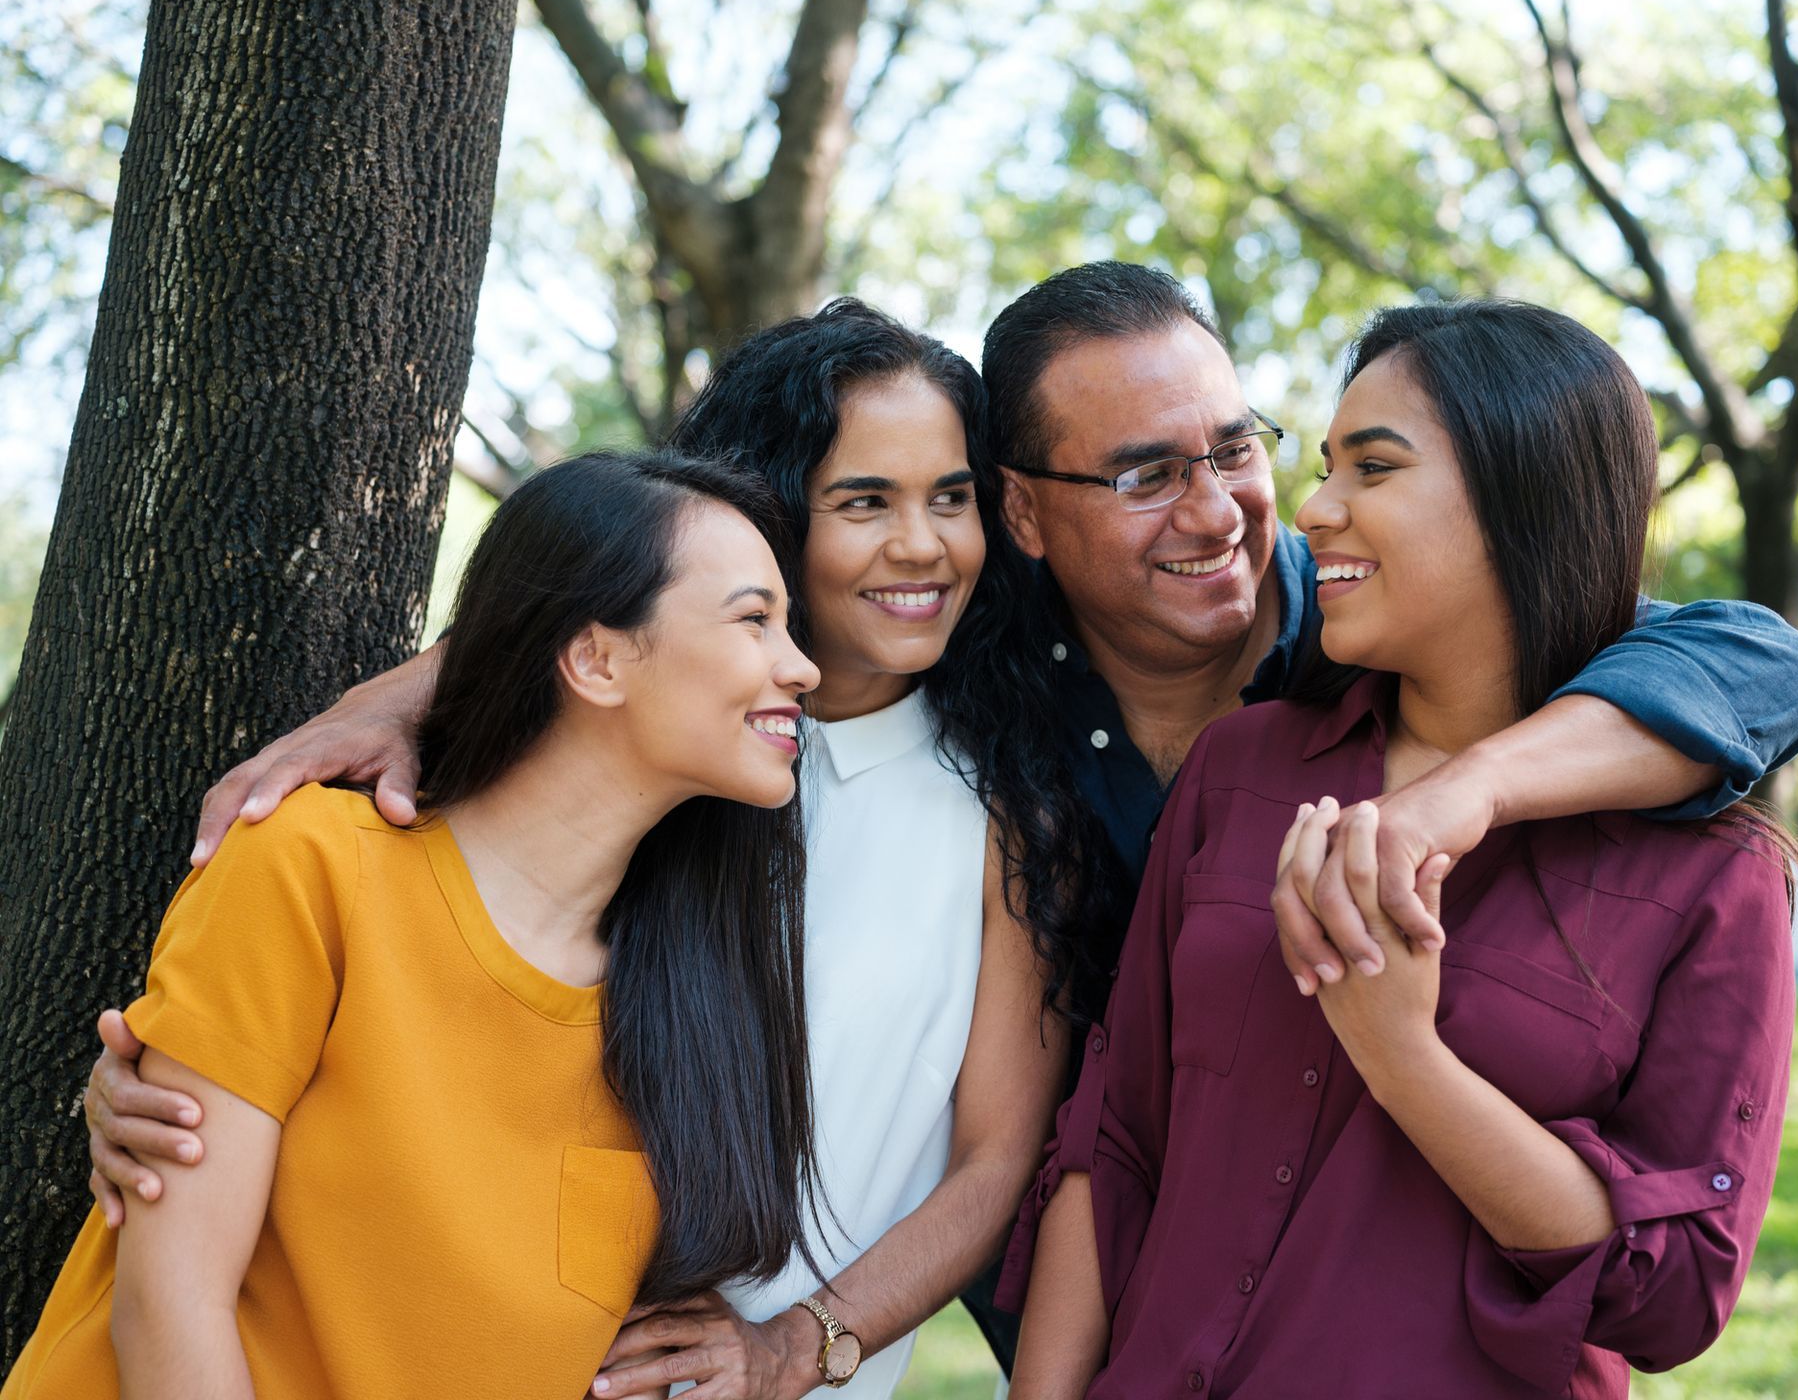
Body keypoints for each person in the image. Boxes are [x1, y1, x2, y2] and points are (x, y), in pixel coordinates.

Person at [82, 300, 1102, 1400]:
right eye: (863, 500)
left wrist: (799, 1347)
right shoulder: (659, 772)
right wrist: (211, 1084)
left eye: (951, 498)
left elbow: (995, 1159)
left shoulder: (995, 807)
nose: (921, 542)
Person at [1002, 300, 1798, 1398]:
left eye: (1372, 471)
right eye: (1324, 465)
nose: (1311, 511)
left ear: (1525, 499)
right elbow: (1111, 1142)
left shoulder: (1714, 872)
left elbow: (1670, 1295)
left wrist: (1403, 1056)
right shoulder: (1241, 771)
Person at [4, 452, 823, 1398]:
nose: (800, 667)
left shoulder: (684, 1004)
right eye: (755, 619)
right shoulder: (313, 865)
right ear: (596, 658)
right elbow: (170, 1303)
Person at [980, 261, 1798, 1016]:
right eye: (1146, 476)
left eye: (1235, 449)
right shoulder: (982, 658)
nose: (1215, 513)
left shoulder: (1377, 619)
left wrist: (1470, 787)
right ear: (1023, 510)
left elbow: (1770, 669)